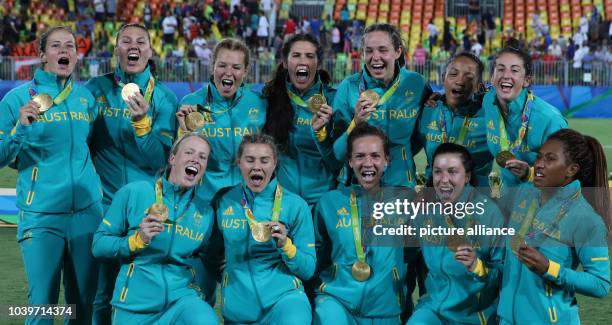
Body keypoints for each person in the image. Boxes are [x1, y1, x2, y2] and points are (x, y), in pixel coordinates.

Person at [0, 26, 102, 324]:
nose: (64, 51)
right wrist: (21, 128)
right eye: (56, 46)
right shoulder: (17, 100)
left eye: (70, 46)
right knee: (43, 305)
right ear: (42, 55)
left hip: (86, 216)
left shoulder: (85, 99)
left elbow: (91, 149)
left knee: (84, 303)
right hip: (42, 216)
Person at [85, 23, 178, 324]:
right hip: (103, 206)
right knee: (101, 293)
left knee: (143, 290)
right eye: (126, 41)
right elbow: (78, 145)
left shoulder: (163, 99)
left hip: (146, 209)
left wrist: (142, 125)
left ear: (150, 52)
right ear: (117, 50)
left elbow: (159, 161)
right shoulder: (95, 90)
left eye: (140, 42)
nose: (133, 46)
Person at [92, 133, 218, 324]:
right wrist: (136, 240)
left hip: (181, 302)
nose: (195, 159)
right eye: (189, 152)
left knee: (205, 319)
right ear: (173, 158)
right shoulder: (135, 192)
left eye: (202, 157)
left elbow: (209, 258)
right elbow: (99, 245)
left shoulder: (205, 212)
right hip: (134, 306)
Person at [498, 129, 610, 324]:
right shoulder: (525, 193)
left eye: (550, 159)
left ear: (571, 170)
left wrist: (549, 269)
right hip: (507, 319)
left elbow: (600, 284)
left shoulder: (585, 218)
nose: (539, 164)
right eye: (539, 157)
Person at [213, 133, 315, 324]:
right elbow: (210, 253)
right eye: (249, 160)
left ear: (275, 163)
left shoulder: (296, 205)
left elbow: (308, 269)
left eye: (264, 160)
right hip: (238, 308)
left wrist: (286, 245)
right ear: (239, 162)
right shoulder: (225, 200)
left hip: (284, 301)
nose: (257, 166)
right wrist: (228, 276)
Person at [313, 124, 408, 324]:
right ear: (349, 161)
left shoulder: (404, 203)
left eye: (375, 156)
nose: (367, 163)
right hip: (337, 301)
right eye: (359, 156)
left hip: (385, 309)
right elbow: (317, 257)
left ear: (386, 161)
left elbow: (416, 255)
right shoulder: (329, 202)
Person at [322, 23, 431, 189]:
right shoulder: (348, 87)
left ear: (398, 51)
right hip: (358, 185)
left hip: (401, 184)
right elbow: (337, 153)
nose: (375, 57)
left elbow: (423, 138)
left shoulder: (416, 84)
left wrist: (400, 155)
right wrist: (356, 123)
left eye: (383, 50)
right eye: (369, 51)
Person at [407, 143, 504, 324]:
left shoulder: (490, 213)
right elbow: (407, 256)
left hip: (475, 315)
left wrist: (478, 267)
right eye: (437, 172)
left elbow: (506, 274)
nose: (444, 179)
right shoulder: (424, 211)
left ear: (467, 176)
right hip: (434, 310)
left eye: (452, 172)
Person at [177, 38, 267, 204]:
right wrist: (184, 134)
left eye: (236, 67)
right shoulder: (190, 103)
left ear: (245, 71)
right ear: (213, 67)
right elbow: (176, 160)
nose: (228, 72)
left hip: (246, 201)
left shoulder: (260, 103)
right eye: (222, 65)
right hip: (202, 199)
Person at [262, 34, 337, 207]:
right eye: (296, 55)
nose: (303, 60)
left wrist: (323, 135)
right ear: (286, 63)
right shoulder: (270, 99)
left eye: (310, 56)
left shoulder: (334, 101)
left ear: (317, 64)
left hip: (324, 200)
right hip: (283, 202)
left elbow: (338, 160)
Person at [483, 38, 567, 190]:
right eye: (500, 69)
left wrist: (530, 173)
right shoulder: (487, 100)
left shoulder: (550, 120)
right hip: (510, 201)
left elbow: (566, 171)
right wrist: (436, 99)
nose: (506, 75)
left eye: (514, 70)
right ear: (492, 77)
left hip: (544, 201)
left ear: (527, 80)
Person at [417, 53, 492, 187]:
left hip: (475, 200)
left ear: (479, 86)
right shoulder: (427, 110)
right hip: (434, 197)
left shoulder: (491, 116)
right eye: (453, 74)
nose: (460, 81)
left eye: (469, 77)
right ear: (443, 78)